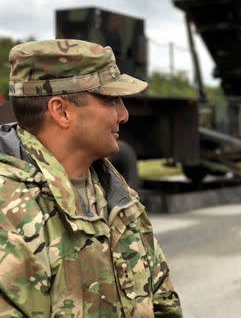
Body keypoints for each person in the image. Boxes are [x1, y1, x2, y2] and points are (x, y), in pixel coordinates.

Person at [0, 39, 182, 317]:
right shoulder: (10, 214)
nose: (124, 114)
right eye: (111, 100)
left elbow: (164, 304)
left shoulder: (117, 196)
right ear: (61, 111)